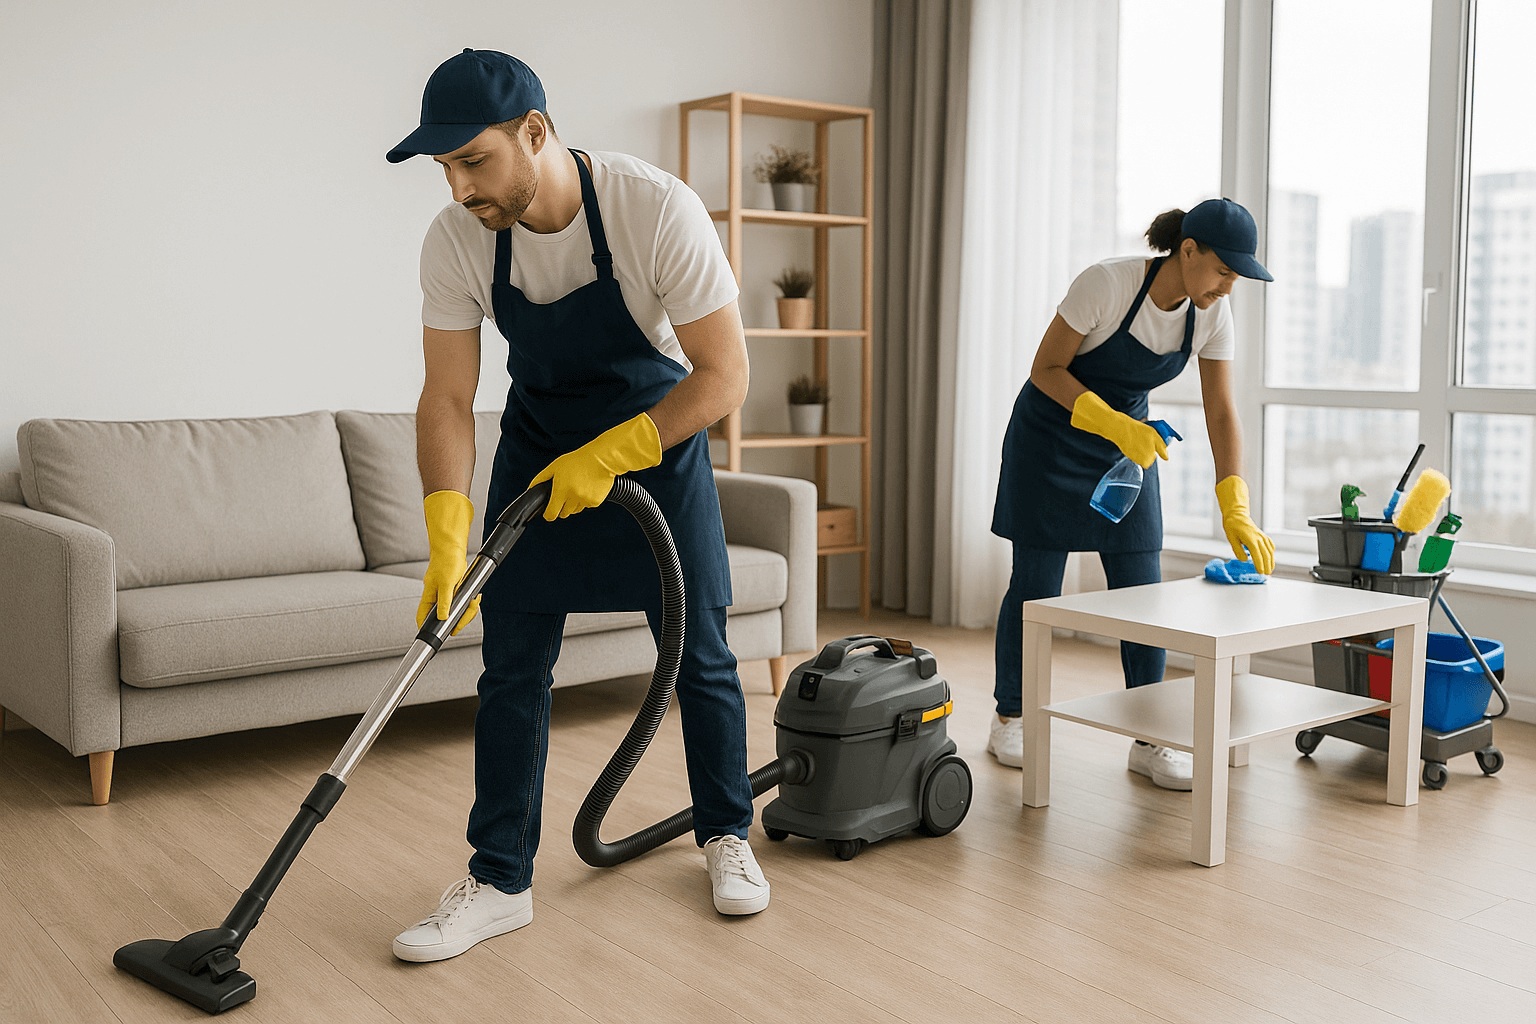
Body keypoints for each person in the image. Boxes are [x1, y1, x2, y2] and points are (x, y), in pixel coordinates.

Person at [385, 49, 768, 963]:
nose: (458, 186)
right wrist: (444, 529)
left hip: (656, 442)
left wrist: (623, 449)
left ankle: (726, 834)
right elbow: (446, 397)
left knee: (701, 651)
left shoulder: (653, 207)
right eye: (443, 168)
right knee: (513, 665)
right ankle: (499, 878)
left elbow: (725, 376)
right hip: (537, 446)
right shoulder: (456, 238)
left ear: (537, 133)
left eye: (472, 160)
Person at [987, 198, 1276, 790]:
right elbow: (1045, 369)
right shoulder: (1108, 283)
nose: (1228, 286)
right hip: (1051, 443)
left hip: (1125, 454)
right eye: (1223, 270)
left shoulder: (1211, 315)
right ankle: (1011, 716)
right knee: (1037, 590)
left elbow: (1221, 413)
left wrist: (1234, 503)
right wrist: (1113, 421)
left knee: (1143, 596)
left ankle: (1152, 737)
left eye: (1237, 277)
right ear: (1188, 250)